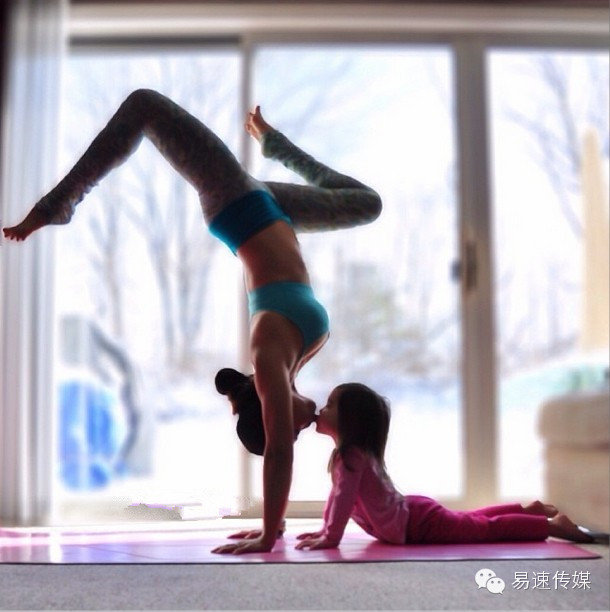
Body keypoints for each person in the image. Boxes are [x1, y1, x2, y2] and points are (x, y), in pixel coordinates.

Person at [2, 89, 382, 554]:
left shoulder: (268, 359)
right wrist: (278, 524)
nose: (303, 427)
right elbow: (281, 447)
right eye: (301, 431)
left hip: (236, 201)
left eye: (293, 429)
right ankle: (274, 145)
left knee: (143, 105)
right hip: (273, 208)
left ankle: (57, 205)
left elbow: (278, 453)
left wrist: (266, 533)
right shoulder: (290, 364)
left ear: (270, 412)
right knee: (368, 203)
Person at [293, 382, 596, 550]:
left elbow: (343, 500)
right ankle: (529, 510)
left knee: (483, 530)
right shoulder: (351, 456)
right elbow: (337, 498)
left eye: (330, 405)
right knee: (469, 520)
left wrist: (331, 537)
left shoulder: (350, 457)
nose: (322, 409)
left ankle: (551, 526)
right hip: (412, 514)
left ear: (350, 420)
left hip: (416, 523)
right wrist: (324, 530)